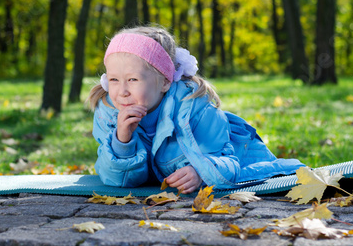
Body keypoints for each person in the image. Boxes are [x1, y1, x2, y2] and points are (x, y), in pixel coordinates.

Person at [87, 26, 304, 194]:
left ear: (164, 82)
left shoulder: (196, 110)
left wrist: (200, 172)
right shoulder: (108, 113)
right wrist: (122, 141)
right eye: (114, 79)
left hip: (241, 153)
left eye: (133, 79)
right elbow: (117, 180)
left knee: (274, 174)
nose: (122, 91)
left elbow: (228, 162)